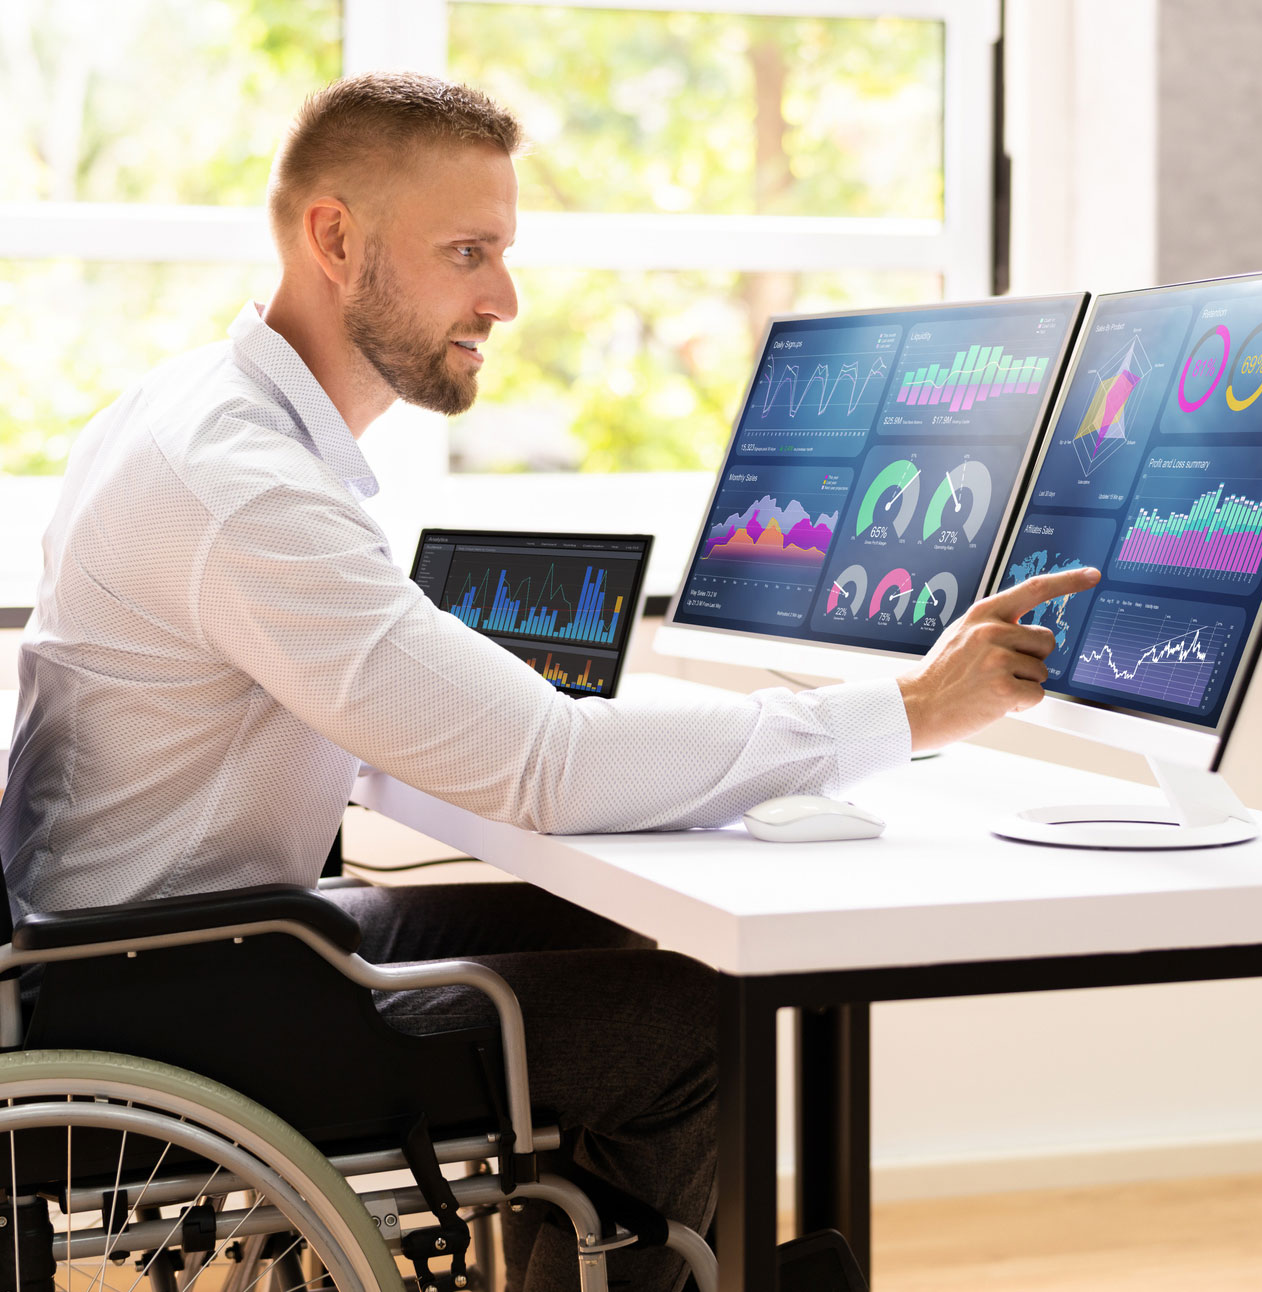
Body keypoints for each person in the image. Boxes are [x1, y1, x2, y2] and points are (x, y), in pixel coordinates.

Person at [0, 72, 1098, 1291]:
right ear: (333, 238)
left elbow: (405, 720)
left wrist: (502, 705)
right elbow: (546, 766)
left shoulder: (192, 415)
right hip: (184, 1008)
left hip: (148, 959)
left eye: (504, 251)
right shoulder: (243, 483)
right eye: (467, 251)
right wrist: (910, 709)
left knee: (622, 932)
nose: (505, 298)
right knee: (693, 1024)